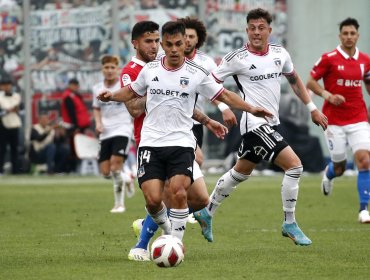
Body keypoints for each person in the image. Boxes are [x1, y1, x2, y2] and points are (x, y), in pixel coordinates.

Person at [98, 20, 272, 252]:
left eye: (178, 43)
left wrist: (244, 110)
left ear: (185, 43)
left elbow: (223, 95)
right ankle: (156, 232)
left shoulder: (196, 73)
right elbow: (131, 96)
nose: (172, 49)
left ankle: (171, 243)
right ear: (163, 44)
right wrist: (112, 96)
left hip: (181, 141)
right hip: (150, 141)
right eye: (166, 44)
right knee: (153, 200)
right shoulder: (146, 71)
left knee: (186, 194)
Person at [193, 8, 328, 246]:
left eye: (261, 28)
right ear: (247, 31)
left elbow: (294, 80)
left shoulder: (280, 54)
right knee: (295, 167)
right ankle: (289, 223)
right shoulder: (236, 58)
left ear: (269, 30)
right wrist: (226, 108)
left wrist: (312, 108)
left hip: (272, 124)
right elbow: (209, 84)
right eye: (252, 28)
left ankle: (207, 212)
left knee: (239, 173)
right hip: (254, 125)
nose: (256, 32)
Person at [118, 20, 227, 261]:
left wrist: (208, 121)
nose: (154, 46)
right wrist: (158, 91)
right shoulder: (133, 71)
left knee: (199, 198)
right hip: (150, 140)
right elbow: (134, 109)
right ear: (135, 43)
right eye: (149, 41)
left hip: (177, 137)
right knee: (165, 194)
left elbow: (181, 99)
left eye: (157, 41)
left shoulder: (169, 67)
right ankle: (146, 241)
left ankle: (155, 225)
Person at [306, 18, 370, 223]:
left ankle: (363, 210)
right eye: (345, 33)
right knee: (341, 167)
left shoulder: (365, 60)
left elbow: (368, 81)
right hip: (333, 120)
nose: (349, 37)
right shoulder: (329, 58)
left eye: (352, 33)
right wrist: (328, 96)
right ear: (340, 36)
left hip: (359, 117)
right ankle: (330, 174)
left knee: (365, 160)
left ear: (357, 35)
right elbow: (310, 82)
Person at [177, 16, 237, 167]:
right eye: (184, 36)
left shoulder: (207, 63)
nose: (187, 40)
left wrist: (224, 108)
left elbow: (214, 91)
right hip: (173, 121)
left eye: (191, 36)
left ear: (198, 40)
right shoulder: (168, 60)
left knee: (192, 165)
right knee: (196, 160)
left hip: (196, 123)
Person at [92, 55, 134, 213]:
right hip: (106, 132)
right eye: (106, 67)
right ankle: (127, 177)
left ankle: (119, 204)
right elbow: (96, 108)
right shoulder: (97, 87)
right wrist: (98, 123)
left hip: (123, 129)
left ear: (118, 69)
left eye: (112, 68)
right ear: (102, 69)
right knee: (106, 172)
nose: (109, 71)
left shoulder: (123, 85)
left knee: (116, 167)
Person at [61, 78, 91, 172]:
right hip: (73, 127)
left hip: (79, 126)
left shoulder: (75, 95)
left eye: (77, 85)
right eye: (74, 85)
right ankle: (69, 169)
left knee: (79, 148)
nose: (76, 87)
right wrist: (76, 127)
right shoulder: (68, 96)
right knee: (74, 149)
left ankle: (76, 168)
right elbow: (71, 113)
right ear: (70, 85)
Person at [0, 75, 22, 175]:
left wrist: (8, 109)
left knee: (15, 149)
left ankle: (16, 171)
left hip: (14, 124)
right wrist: (9, 109)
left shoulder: (16, 95)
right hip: (3, 125)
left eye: (8, 85)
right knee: (2, 149)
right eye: (4, 85)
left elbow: (17, 106)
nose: (6, 87)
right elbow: (7, 107)